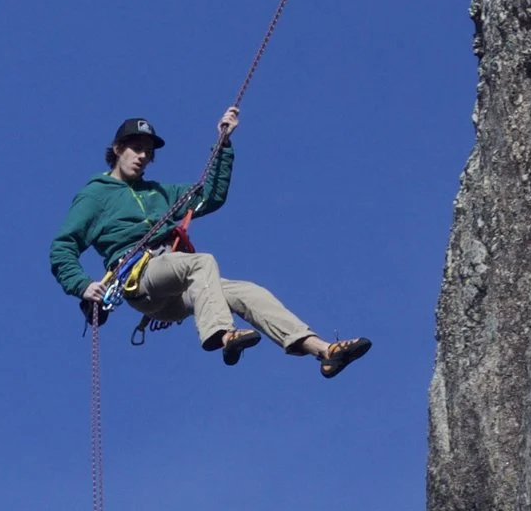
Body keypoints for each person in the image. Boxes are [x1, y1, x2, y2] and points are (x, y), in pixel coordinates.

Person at [47, 106, 367, 378]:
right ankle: (221, 335)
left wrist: (223, 144)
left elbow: (210, 197)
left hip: (173, 289)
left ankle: (323, 350)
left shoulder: (160, 194)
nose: (142, 155)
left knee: (247, 292)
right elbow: (63, 246)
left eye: (148, 151)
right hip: (139, 276)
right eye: (135, 147)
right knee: (202, 263)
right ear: (117, 149)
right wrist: (82, 285)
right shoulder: (96, 195)